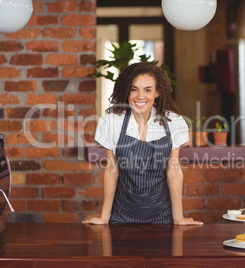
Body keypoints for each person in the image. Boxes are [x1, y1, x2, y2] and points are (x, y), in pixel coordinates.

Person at [83, 62, 203, 225]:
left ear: (157, 92)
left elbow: (173, 171)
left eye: (147, 90)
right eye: (134, 89)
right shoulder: (111, 121)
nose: (140, 96)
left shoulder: (174, 122)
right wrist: (104, 217)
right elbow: (112, 170)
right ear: (127, 91)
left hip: (163, 216)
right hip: (120, 217)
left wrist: (178, 218)